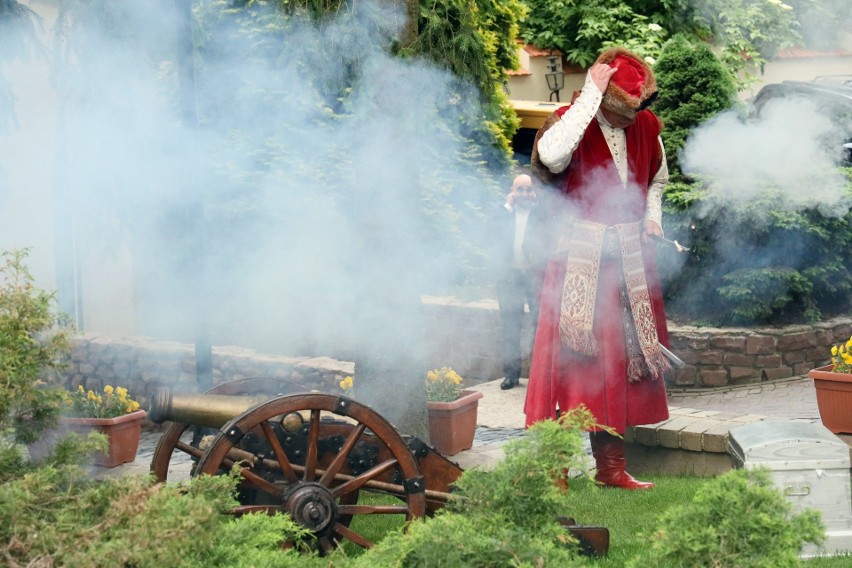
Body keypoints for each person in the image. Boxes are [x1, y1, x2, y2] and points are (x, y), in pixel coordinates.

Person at [524, 47, 671, 490]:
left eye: (639, 108)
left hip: (628, 260)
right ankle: (555, 470)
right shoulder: (571, 118)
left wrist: (652, 217)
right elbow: (551, 158)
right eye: (624, 110)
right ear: (605, 97)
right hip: (576, 259)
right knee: (570, 365)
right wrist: (589, 94)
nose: (634, 119)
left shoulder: (647, 124)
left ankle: (611, 469)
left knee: (622, 364)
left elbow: (659, 178)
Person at [495, 173, 540, 390]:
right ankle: (511, 376)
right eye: (519, 189)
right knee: (510, 327)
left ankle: (538, 378)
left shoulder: (541, 214)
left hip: (534, 277)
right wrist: (506, 207)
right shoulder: (503, 212)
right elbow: (489, 234)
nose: (524, 194)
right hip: (509, 277)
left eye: (528, 189)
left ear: (534, 193)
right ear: (512, 192)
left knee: (539, 325)